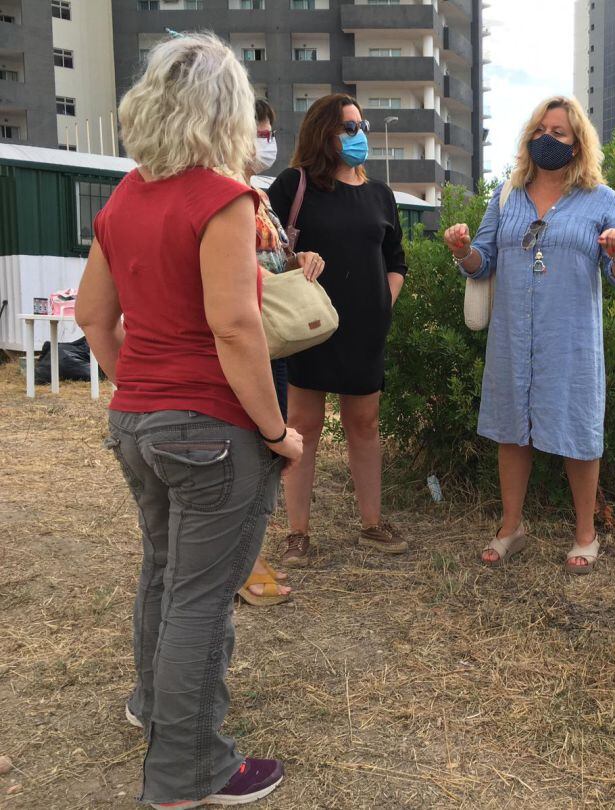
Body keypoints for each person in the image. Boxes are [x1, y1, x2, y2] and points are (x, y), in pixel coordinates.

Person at [74, 33, 302, 807]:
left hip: (136, 421)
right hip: (211, 428)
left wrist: (137, 382)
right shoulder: (222, 198)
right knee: (203, 594)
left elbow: (92, 316)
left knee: (164, 572)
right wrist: (277, 433)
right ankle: (189, 769)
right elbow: (236, 330)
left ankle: (154, 706)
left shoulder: (125, 197)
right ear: (228, 111)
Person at [442, 95, 615, 573]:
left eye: (559, 133)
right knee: (512, 430)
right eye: (541, 130)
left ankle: (585, 534)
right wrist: (462, 250)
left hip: (569, 339)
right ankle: (512, 527)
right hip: (513, 337)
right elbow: (482, 262)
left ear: (577, 145)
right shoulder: (507, 195)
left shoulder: (602, 200)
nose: (547, 139)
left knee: (578, 431)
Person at [267, 94, 408, 567]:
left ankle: (373, 523)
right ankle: (297, 533)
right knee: (302, 427)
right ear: (323, 131)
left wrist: (382, 306)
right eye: (349, 127)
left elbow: (396, 261)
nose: (359, 134)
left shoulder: (380, 194)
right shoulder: (294, 185)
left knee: (364, 426)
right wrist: (296, 258)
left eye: (361, 124)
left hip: (366, 333)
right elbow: (264, 248)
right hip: (310, 327)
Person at [238, 97, 326, 606]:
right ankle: (243, 565)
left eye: (269, 132)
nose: (265, 142)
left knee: (259, 457)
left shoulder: (255, 195)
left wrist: (301, 259)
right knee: (254, 452)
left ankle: (246, 557)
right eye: (258, 131)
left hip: (271, 341)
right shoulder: (227, 197)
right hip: (249, 342)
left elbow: (272, 259)